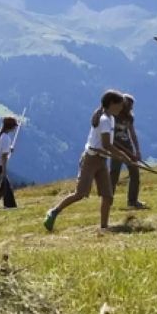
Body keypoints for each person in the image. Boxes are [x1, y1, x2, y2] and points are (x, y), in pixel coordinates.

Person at [44, 90, 135, 232]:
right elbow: (106, 145)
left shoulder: (110, 118)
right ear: (111, 104)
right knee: (80, 194)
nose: (121, 108)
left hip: (102, 160)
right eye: (119, 105)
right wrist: (123, 157)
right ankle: (54, 211)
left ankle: (104, 227)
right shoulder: (104, 120)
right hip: (91, 159)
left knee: (107, 194)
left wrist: (125, 155)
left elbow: (109, 143)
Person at [109, 94, 146, 209]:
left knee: (135, 173)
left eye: (131, 106)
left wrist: (137, 150)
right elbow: (108, 134)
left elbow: (132, 134)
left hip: (128, 147)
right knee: (114, 175)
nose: (131, 108)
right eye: (129, 106)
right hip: (116, 148)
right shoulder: (113, 116)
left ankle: (132, 201)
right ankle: (108, 201)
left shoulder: (129, 117)